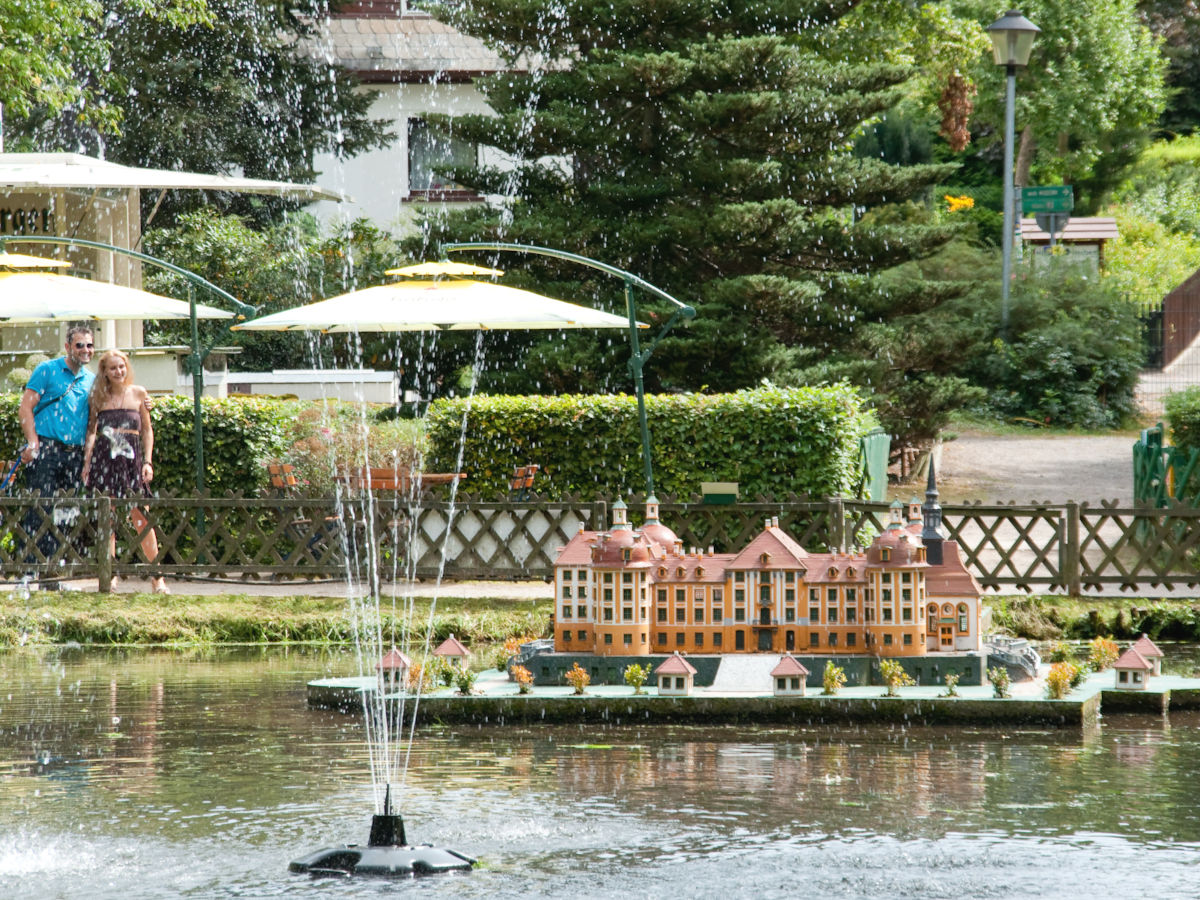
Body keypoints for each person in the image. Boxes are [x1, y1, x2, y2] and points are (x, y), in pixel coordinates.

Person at [81, 349, 168, 595]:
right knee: (108, 520)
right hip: (105, 459)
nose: (118, 371)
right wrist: (87, 463)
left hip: (132, 461)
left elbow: (148, 430)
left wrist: (148, 461)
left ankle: (157, 577)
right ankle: (110, 575)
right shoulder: (98, 396)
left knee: (142, 519)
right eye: (112, 368)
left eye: (121, 366)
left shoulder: (139, 393)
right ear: (105, 372)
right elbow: (91, 432)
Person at [18, 325, 96, 572]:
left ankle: (59, 569)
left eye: (90, 345)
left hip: (75, 453)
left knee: (68, 511)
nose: (85, 350)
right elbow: (25, 409)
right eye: (80, 345)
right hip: (47, 450)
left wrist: (144, 401)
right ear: (67, 347)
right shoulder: (47, 370)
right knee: (39, 508)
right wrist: (33, 442)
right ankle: (32, 571)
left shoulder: (91, 379)